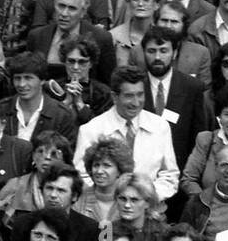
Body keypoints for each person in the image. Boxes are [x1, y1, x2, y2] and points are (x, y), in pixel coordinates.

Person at [73, 66, 180, 202]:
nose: (136, 103)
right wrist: (109, 199)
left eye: (140, 95)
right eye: (129, 96)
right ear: (114, 97)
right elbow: (81, 176)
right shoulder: (91, 130)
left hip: (149, 210)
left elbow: (170, 175)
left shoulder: (160, 126)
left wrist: (146, 198)